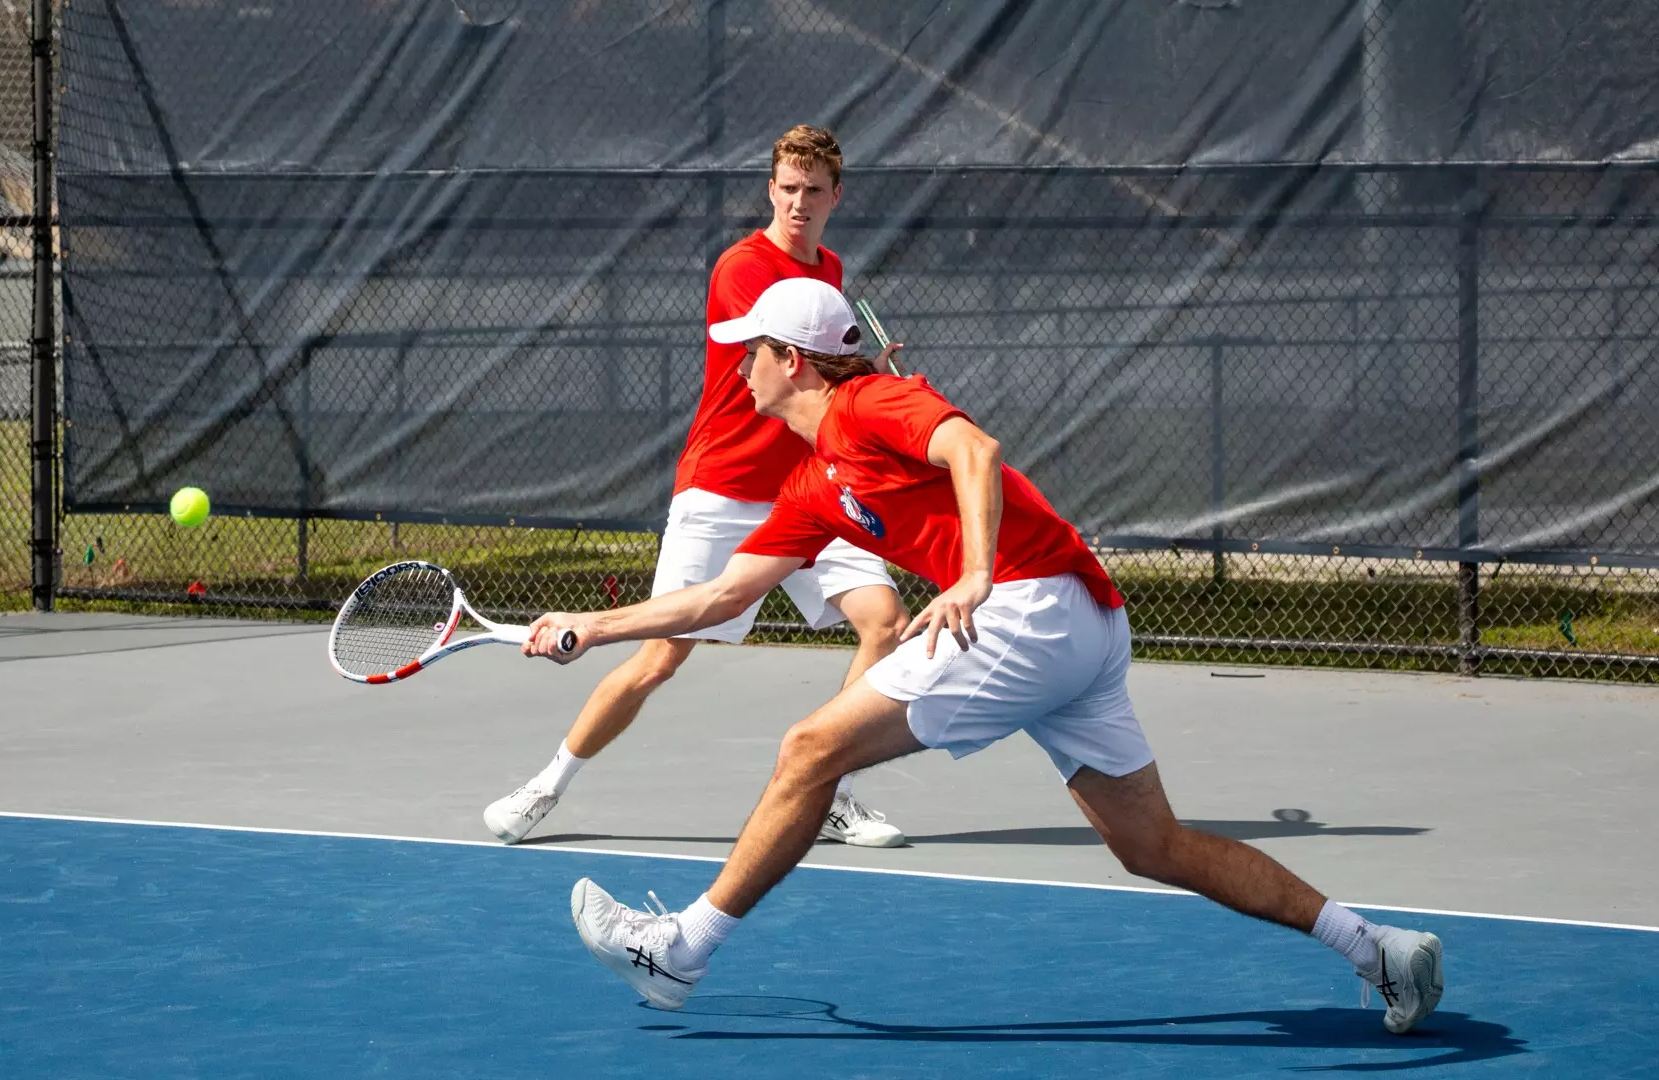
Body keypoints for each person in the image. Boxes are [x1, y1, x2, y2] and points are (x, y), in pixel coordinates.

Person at [523, 278, 1447, 1035]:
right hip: (1082, 624)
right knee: (1151, 845)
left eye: (751, 350)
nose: (740, 366)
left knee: (811, 749)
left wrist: (969, 575)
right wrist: (593, 625)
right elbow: (722, 597)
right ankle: (1380, 950)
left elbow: (975, 448)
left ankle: (679, 951)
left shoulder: (869, 402)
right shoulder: (812, 481)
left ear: (791, 362)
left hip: (1032, 607)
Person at [483, 126, 913, 849]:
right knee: (660, 655)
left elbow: (824, 371)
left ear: (837, 195)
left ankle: (826, 788)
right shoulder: (744, 267)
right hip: (724, 486)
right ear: (770, 190)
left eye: (813, 191)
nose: (799, 203)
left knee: (885, 622)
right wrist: (862, 374)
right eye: (787, 188)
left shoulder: (830, 268)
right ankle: (545, 786)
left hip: (808, 485)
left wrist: (863, 372)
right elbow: (787, 362)